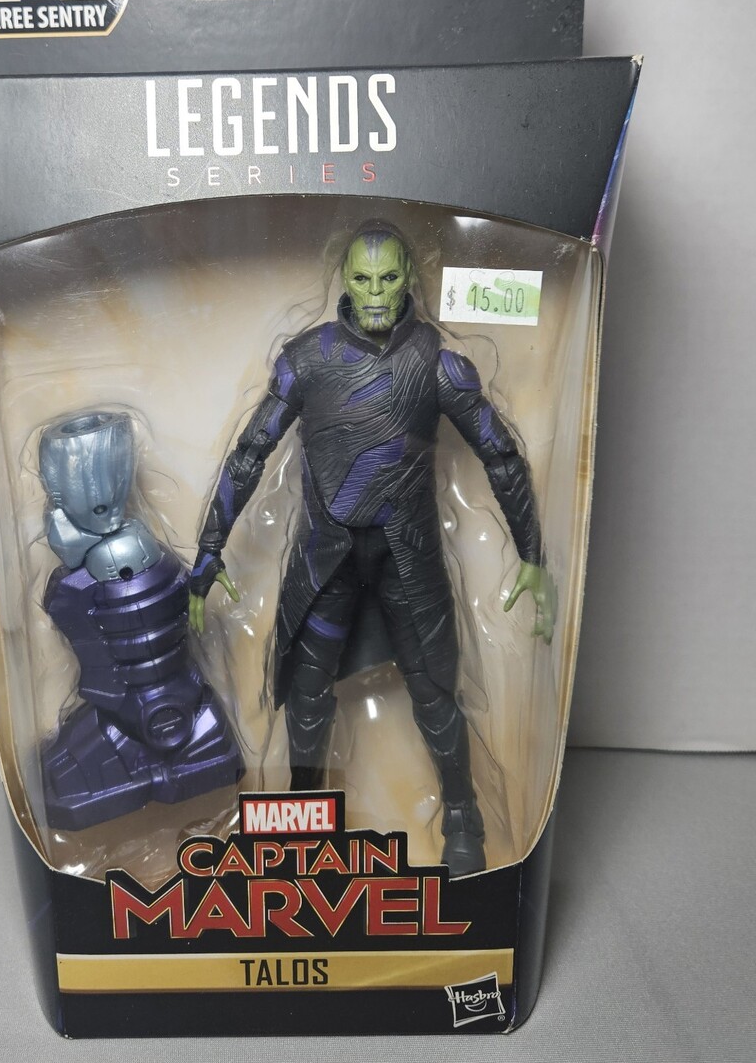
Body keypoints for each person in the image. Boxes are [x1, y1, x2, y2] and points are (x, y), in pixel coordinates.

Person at [188, 222, 555, 874]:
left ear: (409, 278)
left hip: (406, 560)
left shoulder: (438, 363)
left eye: (388, 279)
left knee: (435, 694)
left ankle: (463, 818)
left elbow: (500, 455)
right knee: (306, 697)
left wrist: (531, 553)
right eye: (364, 279)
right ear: (346, 282)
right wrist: (210, 549)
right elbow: (249, 453)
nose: (378, 293)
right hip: (324, 559)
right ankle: (302, 821)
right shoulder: (307, 360)